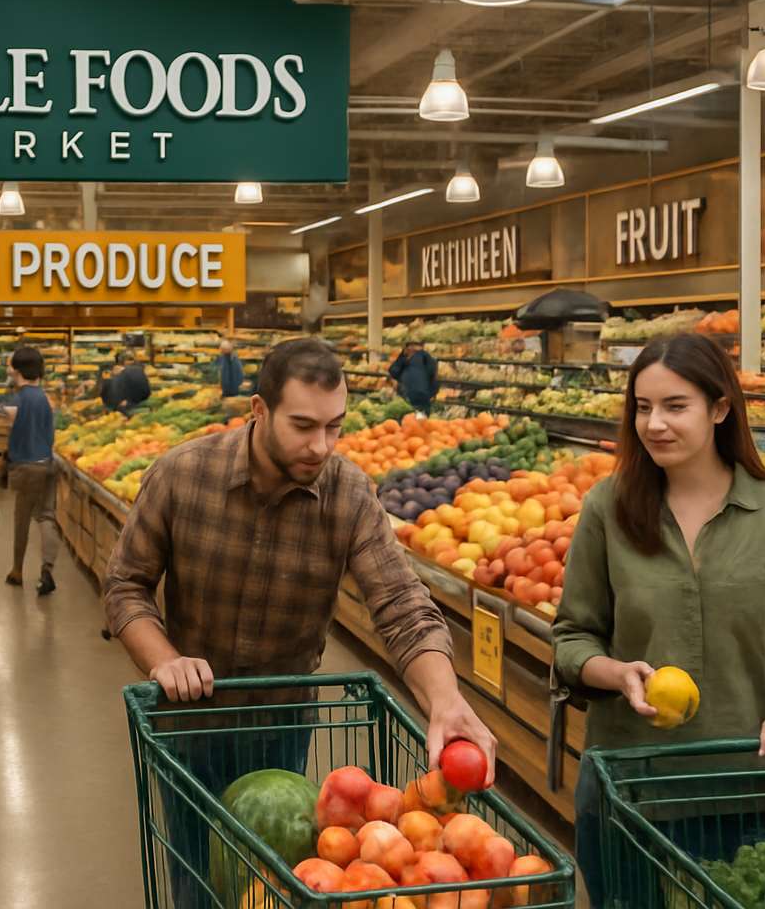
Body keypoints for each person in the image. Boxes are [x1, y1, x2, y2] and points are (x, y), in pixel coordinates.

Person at [104, 337, 496, 908]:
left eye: (335, 427)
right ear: (259, 411)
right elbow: (125, 587)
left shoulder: (349, 495)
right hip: (189, 724)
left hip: (282, 722)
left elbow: (403, 607)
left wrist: (445, 700)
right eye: (303, 426)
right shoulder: (183, 476)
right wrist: (165, 659)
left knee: (272, 886)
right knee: (195, 884)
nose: (322, 445)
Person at [552, 333, 765, 906]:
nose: (654, 424)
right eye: (643, 407)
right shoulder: (608, 507)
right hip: (627, 784)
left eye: (675, 406)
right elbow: (572, 637)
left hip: (742, 788)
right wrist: (615, 673)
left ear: (720, 408)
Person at [2, 346, 62, 596]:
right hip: (48, 463)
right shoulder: (46, 398)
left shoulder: (19, 399)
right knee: (47, 516)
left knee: (22, 519)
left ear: (17, 369)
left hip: (27, 467)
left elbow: (9, 415)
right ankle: (47, 570)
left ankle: (17, 571)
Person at [388, 339, 438, 416]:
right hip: (420, 398)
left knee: (410, 421)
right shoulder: (427, 358)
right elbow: (433, 379)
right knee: (419, 422)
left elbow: (393, 371)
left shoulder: (407, 358)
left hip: (412, 398)